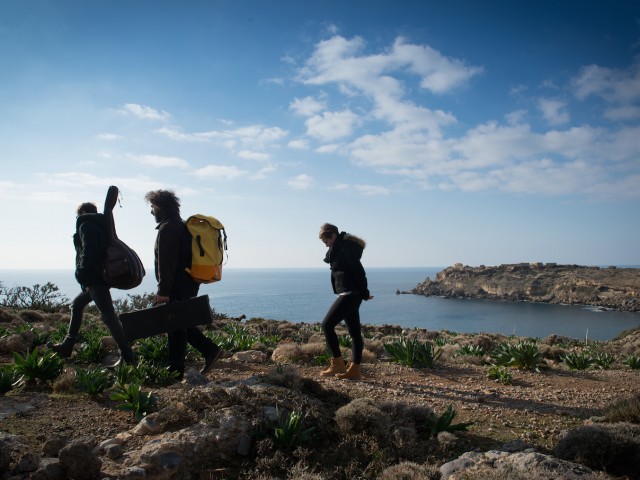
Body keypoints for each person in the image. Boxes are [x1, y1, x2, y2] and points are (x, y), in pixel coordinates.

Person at [144, 189, 223, 380]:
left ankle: (176, 371)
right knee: (180, 323)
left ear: (162, 207)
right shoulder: (180, 226)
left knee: (175, 324)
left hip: (176, 285)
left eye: (153, 207)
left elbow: (167, 262)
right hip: (188, 282)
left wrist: (163, 291)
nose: (151, 211)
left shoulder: (168, 229)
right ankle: (208, 352)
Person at [49, 202, 136, 366]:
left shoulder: (86, 225)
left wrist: (81, 274)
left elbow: (88, 251)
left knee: (109, 317)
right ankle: (67, 345)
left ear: (81, 212)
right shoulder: (102, 225)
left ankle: (128, 355)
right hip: (102, 276)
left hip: (94, 278)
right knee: (77, 304)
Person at [318, 223, 373, 380]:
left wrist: (365, 292)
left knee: (326, 325)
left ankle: (338, 364)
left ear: (334, 236)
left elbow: (359, 271)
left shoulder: (345, 250)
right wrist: (363, 292)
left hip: (350, 294)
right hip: (350, 293)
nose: (325, 245)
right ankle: (355, 369)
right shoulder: (338, 250)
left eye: (326, 241)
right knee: (355, 333)